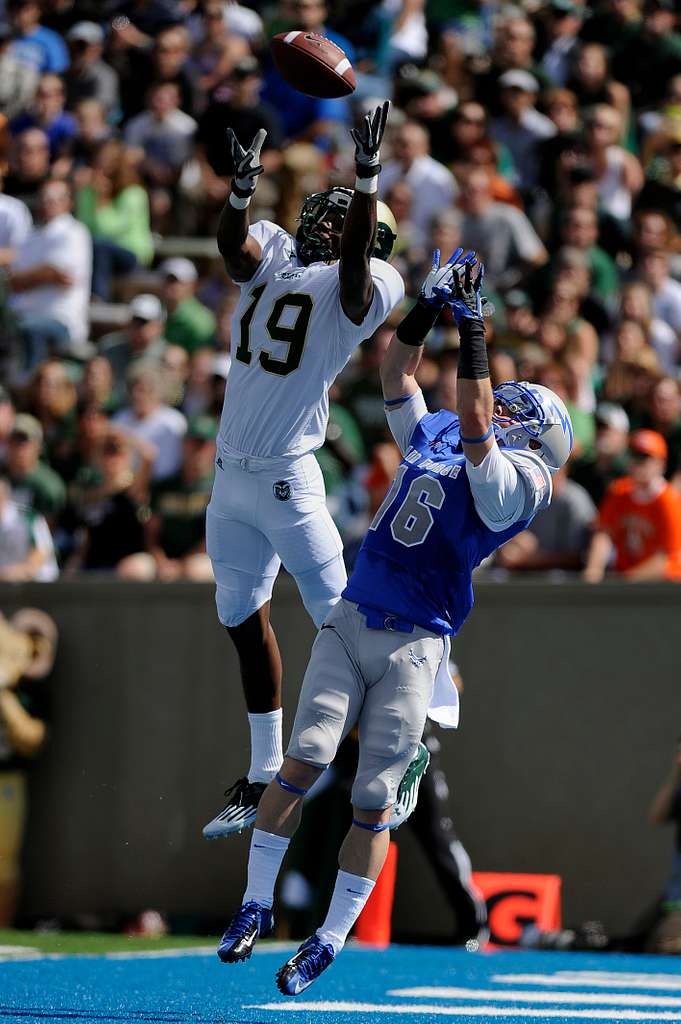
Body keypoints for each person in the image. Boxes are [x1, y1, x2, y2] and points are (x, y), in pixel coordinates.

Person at [216, 249, 573, 992]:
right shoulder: (439, 434)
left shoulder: (522, 482)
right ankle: (252, 906)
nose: (503, 409)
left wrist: (472, 325)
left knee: (373, 799)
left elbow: (478, 423)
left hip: (417, 643)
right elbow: (395, 375)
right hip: (352, 617)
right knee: (305, 757)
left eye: (519, 410)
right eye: (505, 400)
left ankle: (330, 939)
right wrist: (427, 306)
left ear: (539, 437)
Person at [202, 103, 406, 839]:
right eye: (329, 208)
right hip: (230, 479)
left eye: (347, 215)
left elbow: (352, 270)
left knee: (342, 623)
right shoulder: (275, 247)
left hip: (289, 479)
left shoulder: (368, 280)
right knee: (238, 620)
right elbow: (232, 251)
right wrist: (238, 193)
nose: (328, 220)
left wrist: (368, 175)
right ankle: (260, 776)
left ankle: (405, 747)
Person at [7, 178, 93, 369]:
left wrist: (32, 277)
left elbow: (62, 276)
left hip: (62, 321)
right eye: (44, 198)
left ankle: (30, 386)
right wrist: (44, 274)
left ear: (69, 202)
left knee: (28, 329)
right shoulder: (30, 235)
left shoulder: (74, 231)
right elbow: (14, 281)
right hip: (21, 315)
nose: (48, 203)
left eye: (55, 198)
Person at [583, 429, 681, 582]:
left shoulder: (668, 501)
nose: (638, 463)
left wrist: (625, 581)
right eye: (634, 456)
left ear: (661, 464)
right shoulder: (620, 491)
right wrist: (592, 572)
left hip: (664, 584)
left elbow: (665, 558)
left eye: (645, 458)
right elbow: (604, 534)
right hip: (624, 577)